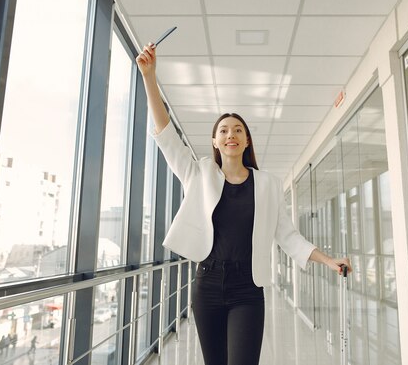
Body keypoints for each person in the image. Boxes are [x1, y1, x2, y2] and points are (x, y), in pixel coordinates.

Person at [136, 43, 352, 365]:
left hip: (247, 289)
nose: (230, 134)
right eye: (223, 130)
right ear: (215, 141)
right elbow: (167, 136)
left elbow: (288, 235)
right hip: (207, 285)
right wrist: (149, 78)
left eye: (238, 129)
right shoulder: (199, 174)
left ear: (247, 140)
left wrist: (329, 260)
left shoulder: (267, 184)